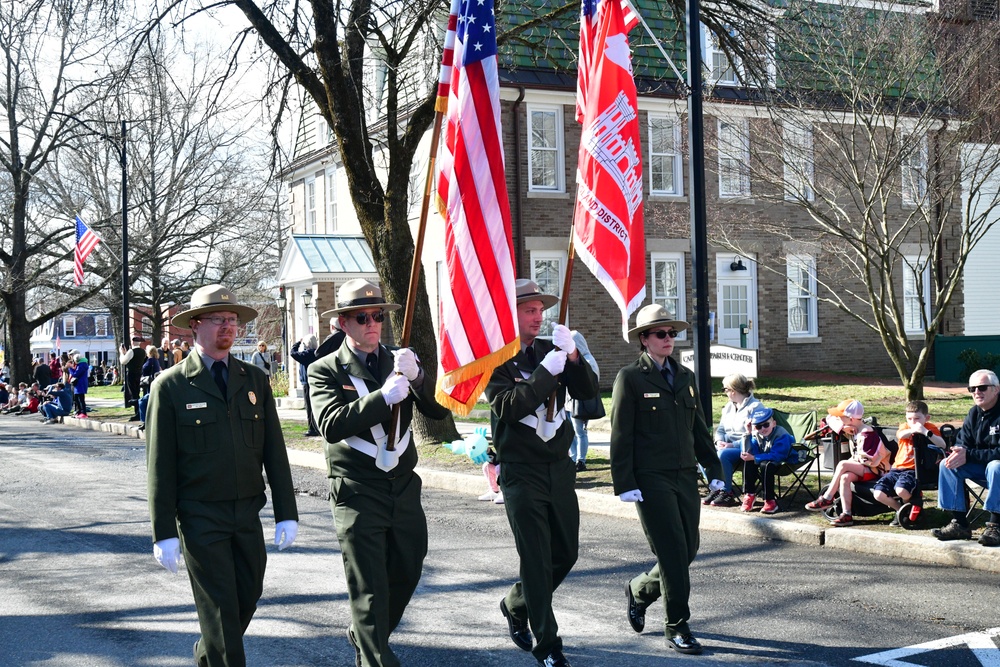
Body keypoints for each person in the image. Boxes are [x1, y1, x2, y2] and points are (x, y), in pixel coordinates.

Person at [146, 284, 299, 667]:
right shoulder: (171, 385)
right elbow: (159, 465)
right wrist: (163, 530)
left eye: (232, 321)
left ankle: (206, 652)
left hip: (247, 512)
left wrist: (287, 511)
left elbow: (274, 452)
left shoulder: (253, 380)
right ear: (195, 326)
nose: (228, 327)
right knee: (219, 609)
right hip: (200, 516)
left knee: (247, 595)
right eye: (218, 320)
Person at [307, 279, 450, 667]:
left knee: (407, 568)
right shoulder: (326, 369)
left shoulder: (398, 359)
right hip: (357, 491)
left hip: (403, 488)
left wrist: (419, 379)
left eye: (377, 316)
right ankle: (376, 655)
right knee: (369, 589)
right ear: (342, 323)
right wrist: (381, 397)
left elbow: (439, 413)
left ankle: (368, 634)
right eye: (362, 317)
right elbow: (331, 424)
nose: (372, 323)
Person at [483, 278, 598, 667]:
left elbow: (588, 395)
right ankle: (548, 645)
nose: (538, 316)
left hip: (558, 467)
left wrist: (575, 358)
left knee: (565, 552)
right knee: (535, 558)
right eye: (528, 310)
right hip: (521, 471)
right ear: (510, 314)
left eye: (539, 310)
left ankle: (516, 603)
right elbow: (509, 407)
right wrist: (545, 374)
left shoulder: (554, 350)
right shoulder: (495, 360)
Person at [610, 304, 723, 656]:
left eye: (672, 333)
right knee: (673, 552)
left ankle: (641, 589)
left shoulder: (685, 376)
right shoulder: (630, 378)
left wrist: (715, 471)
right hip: (650, 477)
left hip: (685, 475)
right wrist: (624, 481)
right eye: (660, 333)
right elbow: (620, 435)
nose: (668, 339)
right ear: (644, 339)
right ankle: (677, 625)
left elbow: (700, 431)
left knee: (689, 548)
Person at [933, 369, 1000, 546]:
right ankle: (960, 524)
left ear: (996, 389)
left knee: (996, 466)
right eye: (972, 389)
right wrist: (959, 453)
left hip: (996, 470)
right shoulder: (974, 414)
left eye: (982, 387)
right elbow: (963, 442)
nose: (977, 392)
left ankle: (995, 525)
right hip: (982, 469)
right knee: (948, 465)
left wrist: (968, 454)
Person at [805, 399, 890, 526]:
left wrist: (852, 461)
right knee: (845, 478)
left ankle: (828, 498)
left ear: (851, 419)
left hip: (875, 470)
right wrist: (844, 427)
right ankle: (847, 514)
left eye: (841, 418)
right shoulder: (853, 428)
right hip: (864, 470)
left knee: (842, 464)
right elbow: (829, 418)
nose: (839, 420)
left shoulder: (867, 433)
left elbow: (870, 460)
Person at [871, 400, 945, 525]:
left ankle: (911, 511)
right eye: (909, 418)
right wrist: (912, 430)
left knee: (901, 490)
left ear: (926, 418)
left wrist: (925, 432)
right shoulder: (905, 427)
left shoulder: (930, 428)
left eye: (917, 418)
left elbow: (942, 444)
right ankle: (901, 511)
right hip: (897, 468)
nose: (913, 422)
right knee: (878, 493)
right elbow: (901, 435)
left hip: (913, 469)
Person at [704, 373, 762, 507]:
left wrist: (731, 445)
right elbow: (721, 429)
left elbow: (757, 436)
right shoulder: (729, 407)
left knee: (723, 454)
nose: (724, 392)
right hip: (727, 446)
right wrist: (719, 441)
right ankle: (717, 489)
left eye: (725, 389)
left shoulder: (755, 407)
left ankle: (727, 493)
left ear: (733, 390)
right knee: (705, 453)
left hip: (748, 447)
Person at [738, 407, 795, 514]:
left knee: (766, 465)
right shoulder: (756, 434)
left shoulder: (782, 434)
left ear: (774, 423)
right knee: (749, 461)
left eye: (766, 425)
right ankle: (749, 494)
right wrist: (748, 433)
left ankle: (770, 500)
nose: (763, 429)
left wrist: (755, 457)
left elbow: (778, 455)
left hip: (785, 460)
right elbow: (749, 452)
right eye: (758, 426)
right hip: (766, 457)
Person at [567, 330, 599, 473]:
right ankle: (573, 458)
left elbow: (592, 382)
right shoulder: (571, 359)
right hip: (568, 402)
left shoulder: (588, 360)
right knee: (570, 432)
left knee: (580, 432)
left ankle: (581, 460)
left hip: (581, 402)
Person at [290, 335, 320, 437]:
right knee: (316, 405)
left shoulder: (306, 355)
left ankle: (312, 428)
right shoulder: (317, 353)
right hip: (316, 381)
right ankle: (318, 427)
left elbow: (292, 353)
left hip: (307, 382)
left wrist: (298, 342)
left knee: (309, 405)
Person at [121, 335, 147, 420]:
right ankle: (139, 412)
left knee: (134, 394)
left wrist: (122, 353)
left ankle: (137, 413)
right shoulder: (143, 351)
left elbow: (123, 361)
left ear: (132, 342)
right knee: (137, 393)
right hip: (139, 373)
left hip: (132, 374)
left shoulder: (131, 351)